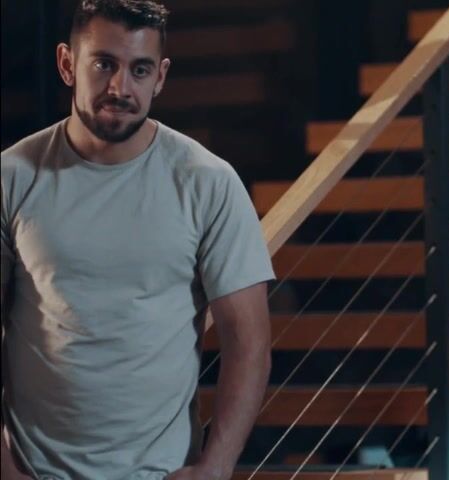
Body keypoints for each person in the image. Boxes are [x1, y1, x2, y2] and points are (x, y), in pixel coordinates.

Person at [0, 1, 275, 478]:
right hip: (36, 470)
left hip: (158, 471)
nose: (120, 88)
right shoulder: (12, 177)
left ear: (160, 76)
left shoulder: (208, 182)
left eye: (139, 69)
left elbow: (248, 343)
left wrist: (215, 468)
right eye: (104, 64)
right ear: (67, 63)